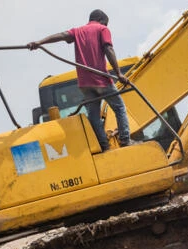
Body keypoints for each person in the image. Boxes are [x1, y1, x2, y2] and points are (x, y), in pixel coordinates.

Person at [27, 9, 130, 151]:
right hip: (101, 79)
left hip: (85, 83)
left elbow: (62, 35)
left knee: (93, 115)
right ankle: (125, 140)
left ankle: (104, 146)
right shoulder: (102, 29)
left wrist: (39, 42)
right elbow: (108, 49)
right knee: (119, 108)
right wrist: (119, 73)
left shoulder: (78, 31)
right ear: (102, 21)